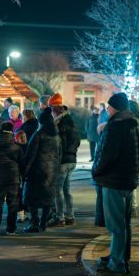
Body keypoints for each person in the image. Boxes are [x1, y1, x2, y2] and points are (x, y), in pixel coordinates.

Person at [93, 92, 139, 276]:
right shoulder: (134, 124)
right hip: (128, 180)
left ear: (114, 108)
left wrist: (96, 171)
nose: (107, 109)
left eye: (109, 107)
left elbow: (106, 155)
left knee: (116, 226)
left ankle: (117, 264)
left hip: (113, 181)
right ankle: (121, 257)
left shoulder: (115, 126)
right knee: (124, 224)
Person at [22, 108, 61, 233]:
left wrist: (24, 172)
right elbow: (59, 155)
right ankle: (43, 223)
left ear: (41, 122)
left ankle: (34, 223)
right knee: (47, 198)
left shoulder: (38, 135)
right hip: (52, 172)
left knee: (31, 198)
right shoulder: (57, 136)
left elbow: (31, 155)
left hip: (37, 171)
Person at [0, 121, 25, 237]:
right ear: (12, 131)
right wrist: (20, 176)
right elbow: (22, 164)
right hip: (14, 179)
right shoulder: (16, 147)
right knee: (13, 205)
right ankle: (11, 229)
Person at [49, 93, 81, 227]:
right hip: (72, 159)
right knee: (67, 189)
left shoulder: (59, 124)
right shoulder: (71, 121)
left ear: (54, 111)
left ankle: (60, 217)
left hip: (63, 160)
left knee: (58, 189)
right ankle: (70, 216)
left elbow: (59, 143)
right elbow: (77, 141)